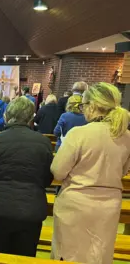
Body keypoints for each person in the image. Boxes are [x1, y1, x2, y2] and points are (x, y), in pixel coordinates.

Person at [51, 82, 130, 263]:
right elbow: (124, 170)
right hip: (109, 205)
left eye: (84, 105)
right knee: (99, 254)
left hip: (77, 204)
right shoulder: (125, 135)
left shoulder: (79, 134)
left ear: (93, 106)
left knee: (69, 253)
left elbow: (58, 171)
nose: (83, 110)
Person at [0, 96, 54, 257]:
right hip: (30, 211)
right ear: (31, 117)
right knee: (24, 257)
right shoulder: (43, 143)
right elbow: (47, 180)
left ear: (7, 116)